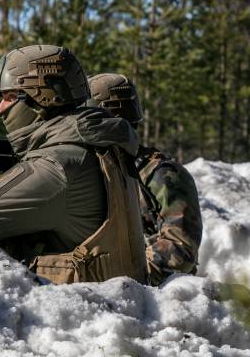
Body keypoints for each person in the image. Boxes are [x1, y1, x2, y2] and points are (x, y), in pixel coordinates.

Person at [0, 45, 147, 284]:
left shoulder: (60, 164)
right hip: (106, 302)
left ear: (42, 98)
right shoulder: (99, 147)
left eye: (9, 97)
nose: (0, 109)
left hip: (78, 310)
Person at [87, 73, 203, 286]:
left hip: (154, 297)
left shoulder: (161, 174)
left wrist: (117, 279)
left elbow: (180, 249)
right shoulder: (94, 168)